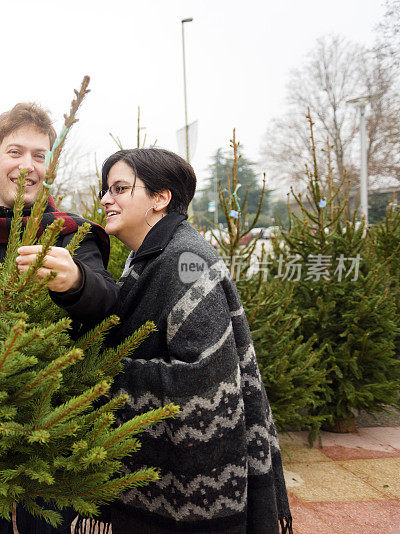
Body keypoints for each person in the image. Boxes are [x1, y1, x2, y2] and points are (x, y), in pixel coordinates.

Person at [17, 148, 292, 533]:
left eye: (120, 188)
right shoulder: (148, 258)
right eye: (105, 189)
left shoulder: (186, 261)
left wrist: (96, 374)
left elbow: (203, 379)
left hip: (189, 494)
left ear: (161, 199)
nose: (105, 200)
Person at [0, 102, 118, 534]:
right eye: (15, 152)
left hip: (51, 433)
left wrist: (75, 281)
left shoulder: (73, 234)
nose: (28, 166)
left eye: (40, 155)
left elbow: (109, 302)